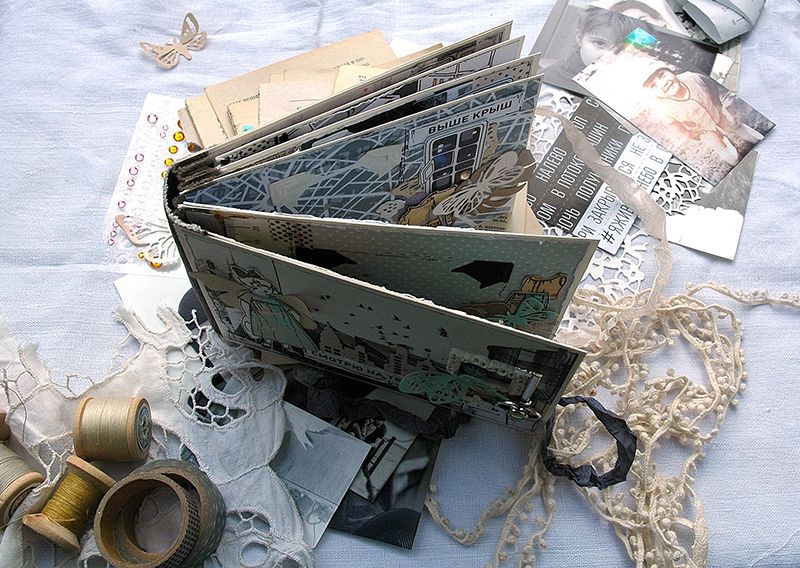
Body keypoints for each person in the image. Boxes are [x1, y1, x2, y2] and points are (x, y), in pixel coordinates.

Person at [642, 67, 762, 164]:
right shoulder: (664, 108)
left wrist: (717, 104)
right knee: (719, 145)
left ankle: (757, 139)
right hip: (702, 129)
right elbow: (671, 123)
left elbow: (710, 84)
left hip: (716, 112)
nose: (663, 84)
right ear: (652, 94)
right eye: (654, 85)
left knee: (734, 125)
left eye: (662, 75)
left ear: (672, 71)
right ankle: (736, 161)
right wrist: (689, 134)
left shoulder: (692, 78)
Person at [545, 6, 645, 88]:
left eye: (622, 48)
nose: (608, 56)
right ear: (579, 38)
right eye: (600, 43)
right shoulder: (550, 79)